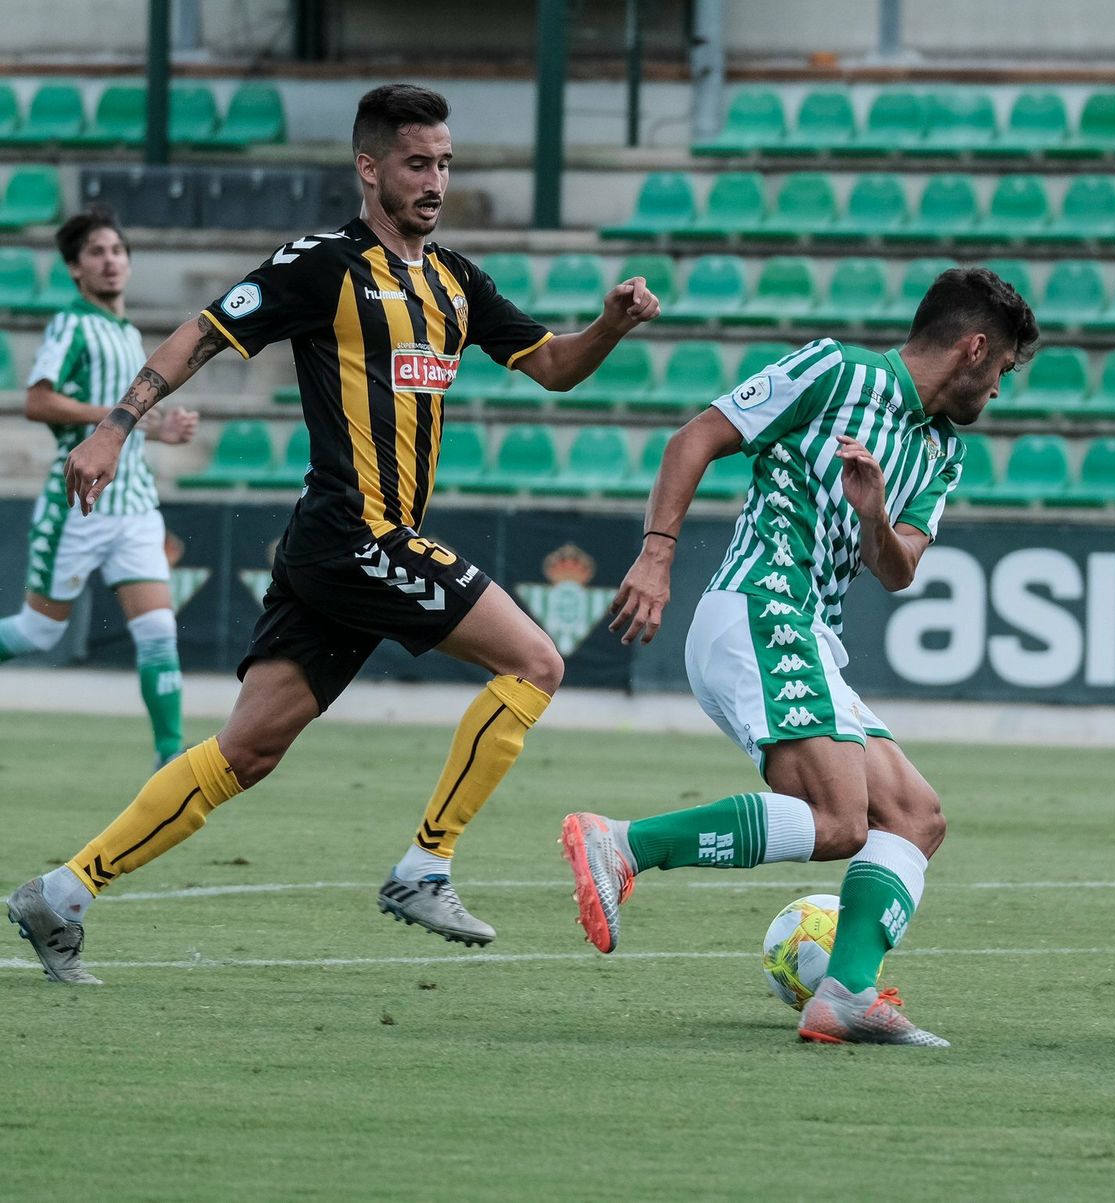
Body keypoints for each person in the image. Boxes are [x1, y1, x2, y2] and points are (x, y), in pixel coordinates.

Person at [4, 83, 660, 985]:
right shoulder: (321, 265)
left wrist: (610, 327)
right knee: (536, 662)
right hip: (359, 532)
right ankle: (425, 865)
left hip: (333, 547)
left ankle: (61, 892)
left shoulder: (456, 282)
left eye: (444, 164)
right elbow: (197, 337)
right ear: (369, 167)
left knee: (246, 751)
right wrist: (115, 425)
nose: (434, 181)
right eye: (416, 163)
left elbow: (552, 366)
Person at [561, 267, 1037, 1047]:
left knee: (914, 816)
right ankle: (623, 844)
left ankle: (844, 993)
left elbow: (898, 568)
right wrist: (655, 557)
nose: (998, 392)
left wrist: (874, 512)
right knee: (840, 819)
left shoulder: (942, 454)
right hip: (756, 607)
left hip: (809, 632)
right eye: (1003, 373)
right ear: (975, 349)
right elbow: (697, 438)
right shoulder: (835, 371)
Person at [0, 208, 199, 770]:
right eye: (97, 252)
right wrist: (123, 418)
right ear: (74, 269)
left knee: (159, 630)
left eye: (117, 250)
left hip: (136, 506)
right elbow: (38, 401)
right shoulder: (73, 324)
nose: (110, 260)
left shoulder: (126, 331)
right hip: (78, 507)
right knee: (39, 631)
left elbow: (123, 426)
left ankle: (170, 760)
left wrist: (159, 432)